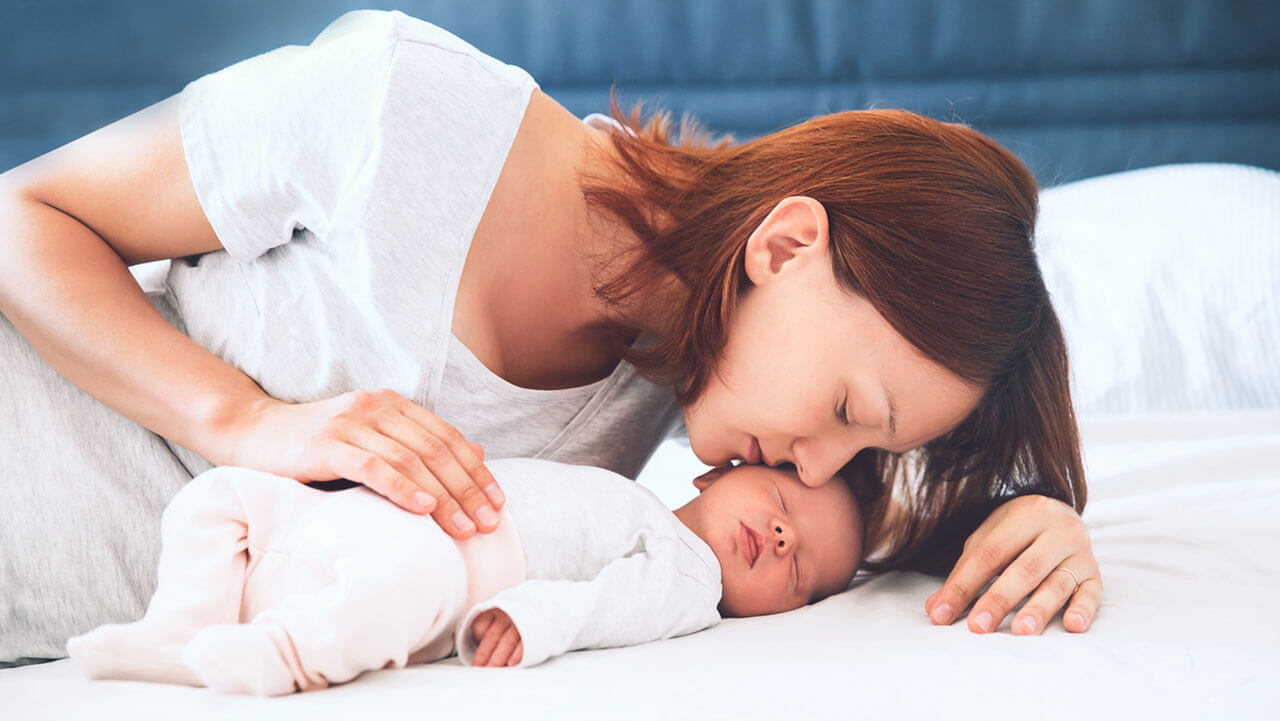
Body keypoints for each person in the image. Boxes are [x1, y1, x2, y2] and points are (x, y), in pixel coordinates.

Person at [0, 9, 1100, 664]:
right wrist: (245, 420)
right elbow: (23, 217)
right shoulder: (402, 104)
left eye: (862, 449)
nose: (820, 463)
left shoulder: (666, 397)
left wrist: (1034, 511)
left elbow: (846, 529)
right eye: (850, 413)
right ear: (783, 245)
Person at [65, 458, 863, 695]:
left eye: (806, 573)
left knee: (407, 579)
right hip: (370, 520)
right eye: (783, 500)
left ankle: (282, 655)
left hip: (447, 565)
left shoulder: (688, 581)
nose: (785, 537)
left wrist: (527, 618)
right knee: (223, 493)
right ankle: (181, 625)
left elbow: (605, 606)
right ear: (715, 472)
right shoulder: (636, 494)